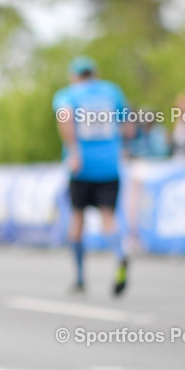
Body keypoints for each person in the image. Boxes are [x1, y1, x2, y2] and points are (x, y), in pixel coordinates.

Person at [52, 56, 129, 296]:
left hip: (82, 167)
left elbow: (64, 118)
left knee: (77, 219)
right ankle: (120, 255)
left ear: (74, 76)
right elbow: (126, 125)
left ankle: (79, 278)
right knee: (109, 217)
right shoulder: (112, 92)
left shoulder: (69, 95)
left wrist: (73, 151)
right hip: (109, 166)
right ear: (95, 73)